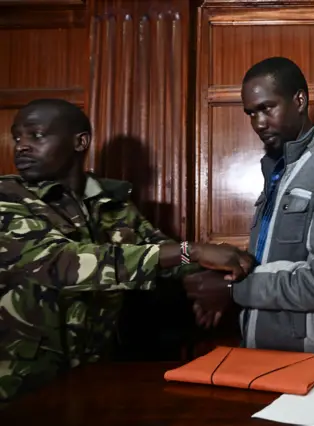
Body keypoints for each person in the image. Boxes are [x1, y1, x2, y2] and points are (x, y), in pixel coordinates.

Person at [0, 99, 253, 402]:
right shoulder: (7, 197)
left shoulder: (113, 204)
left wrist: (223, 277)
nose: (22, 146)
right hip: (23, 380)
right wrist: (193, 252)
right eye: (18, 137)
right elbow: (60, 264)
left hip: (98, 375)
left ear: (80, 142)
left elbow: (159, 251)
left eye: (36, 135)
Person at [191, 57, 314, 358]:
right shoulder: (280, 170)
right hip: (268, 352)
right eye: (251, 113)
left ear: (299, 100)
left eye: (267, 108)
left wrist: (233, 291)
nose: (258, 123)